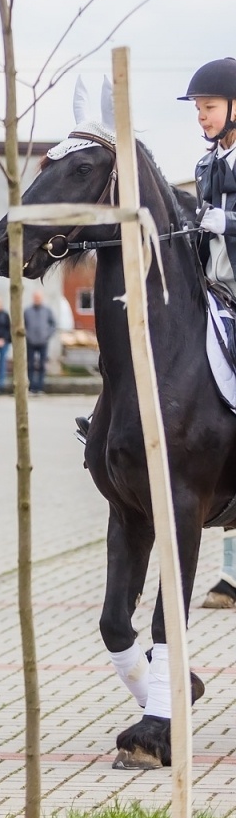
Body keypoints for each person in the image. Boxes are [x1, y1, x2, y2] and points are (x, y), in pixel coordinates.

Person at [181, 59, 236, 608]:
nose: (202, 118)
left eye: (210, 108)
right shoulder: (203, 164)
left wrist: (227, 222)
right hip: (215, 289)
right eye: (199, 110)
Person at [24, 290, 57, 394]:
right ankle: (31, 387)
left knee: (42, 365)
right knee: (31, 365)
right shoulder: (27, 311)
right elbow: (23, 324)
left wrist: (47, 335)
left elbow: (53, 324)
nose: (37, 299)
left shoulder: (47, 311)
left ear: (41, 299)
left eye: (38, 298)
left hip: (43, 342)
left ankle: (40, 387)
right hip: (31, 342)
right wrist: (27, 334)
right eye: (35, 298)